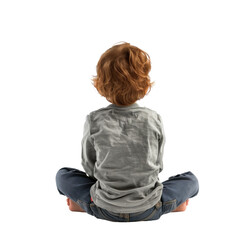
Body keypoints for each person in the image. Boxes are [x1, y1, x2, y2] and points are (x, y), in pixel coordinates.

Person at [56, 42, 199, 222]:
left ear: (101, 83)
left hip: (103, 206)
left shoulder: (94, 120)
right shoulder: (153, 118)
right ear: (144, 84)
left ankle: (83, 203)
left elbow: (89, 166)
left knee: (63, 176)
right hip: (150, 207)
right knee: (190, 180)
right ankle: (173, 203)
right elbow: (157, 165)